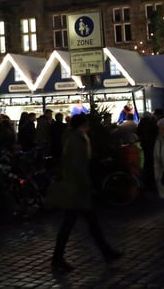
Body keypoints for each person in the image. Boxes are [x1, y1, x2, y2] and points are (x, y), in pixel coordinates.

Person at [50, 113, 122, 273]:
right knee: (74, 224)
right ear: (82, 126)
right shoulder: (77, 140)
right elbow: (77, 166)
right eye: (87, 125)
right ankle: (58, 258)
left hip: (78, 189)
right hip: (77, 190)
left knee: (85, 223)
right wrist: (85, 183)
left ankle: (105, 251)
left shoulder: (74, 138)